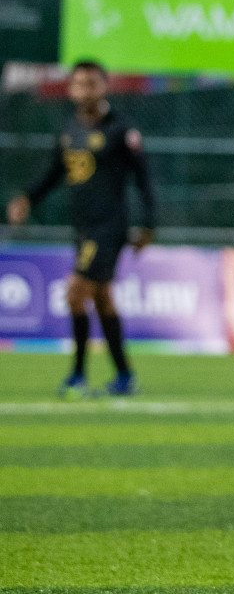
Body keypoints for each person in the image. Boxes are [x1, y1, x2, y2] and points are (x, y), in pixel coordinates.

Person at [7, 61, 155, 399]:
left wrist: (148, 224)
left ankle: (76, 376)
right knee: (103, 299)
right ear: (71, 89)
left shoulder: (120, 130)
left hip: (110, 227)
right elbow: (52, 173)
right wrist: (27, 198)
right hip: (83, 228)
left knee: (76, 291)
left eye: (92, 83)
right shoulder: (69, 130)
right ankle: (124, 376)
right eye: (79, 84)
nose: (84, 90)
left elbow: (144, 180)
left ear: (105, 86)